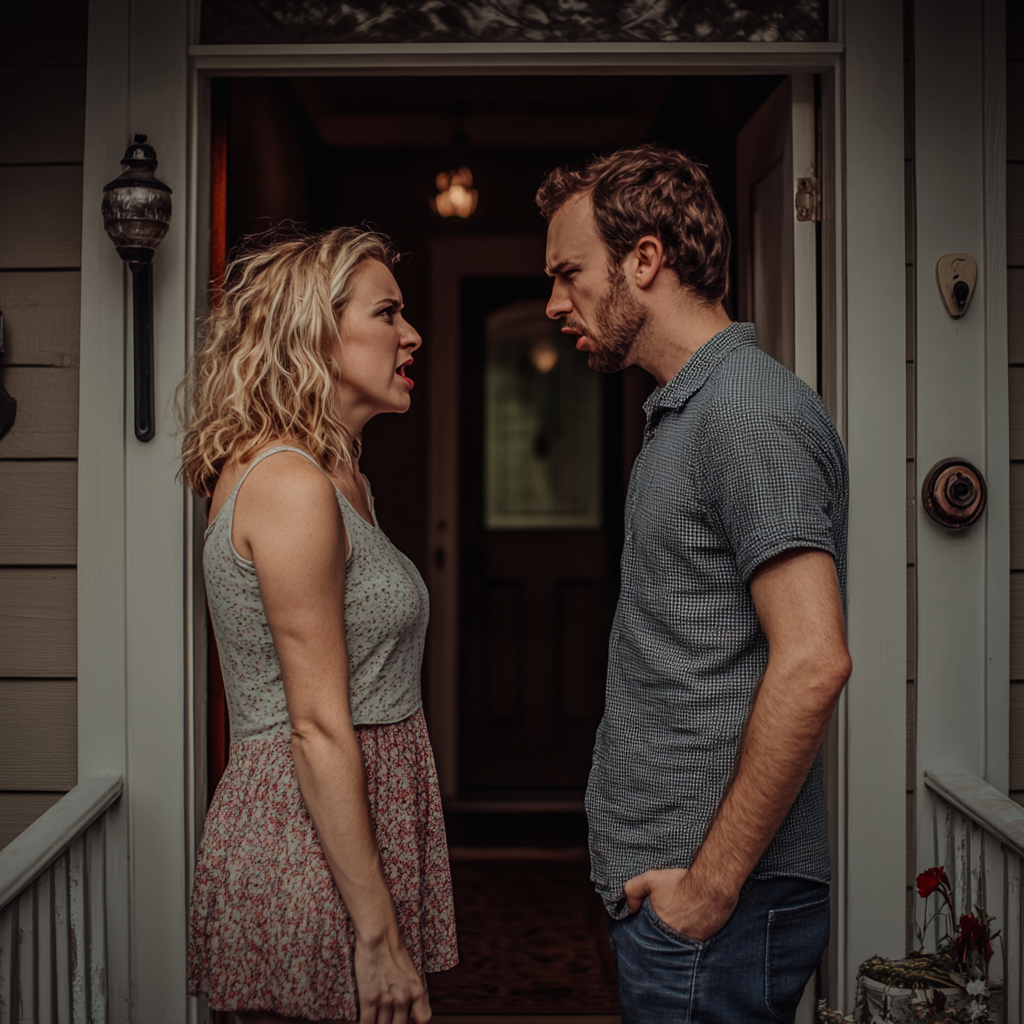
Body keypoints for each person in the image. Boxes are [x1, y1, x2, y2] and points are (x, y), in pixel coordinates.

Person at [536, 145, 852, 1024]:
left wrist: (708, 892)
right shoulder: (689, 411)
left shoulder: (745, 412)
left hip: (717, 907)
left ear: (644, 259)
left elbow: (814, 660)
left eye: (569, 272)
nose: (555, 302)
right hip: (684, 900)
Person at [179, 227, 458, 1023]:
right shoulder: (290, 483)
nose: (410, 334)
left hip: (353, 830)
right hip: (306, 844)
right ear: (315, 331)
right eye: (387, 313)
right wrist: (375, 935)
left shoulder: (343, 474)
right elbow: (314, 726)